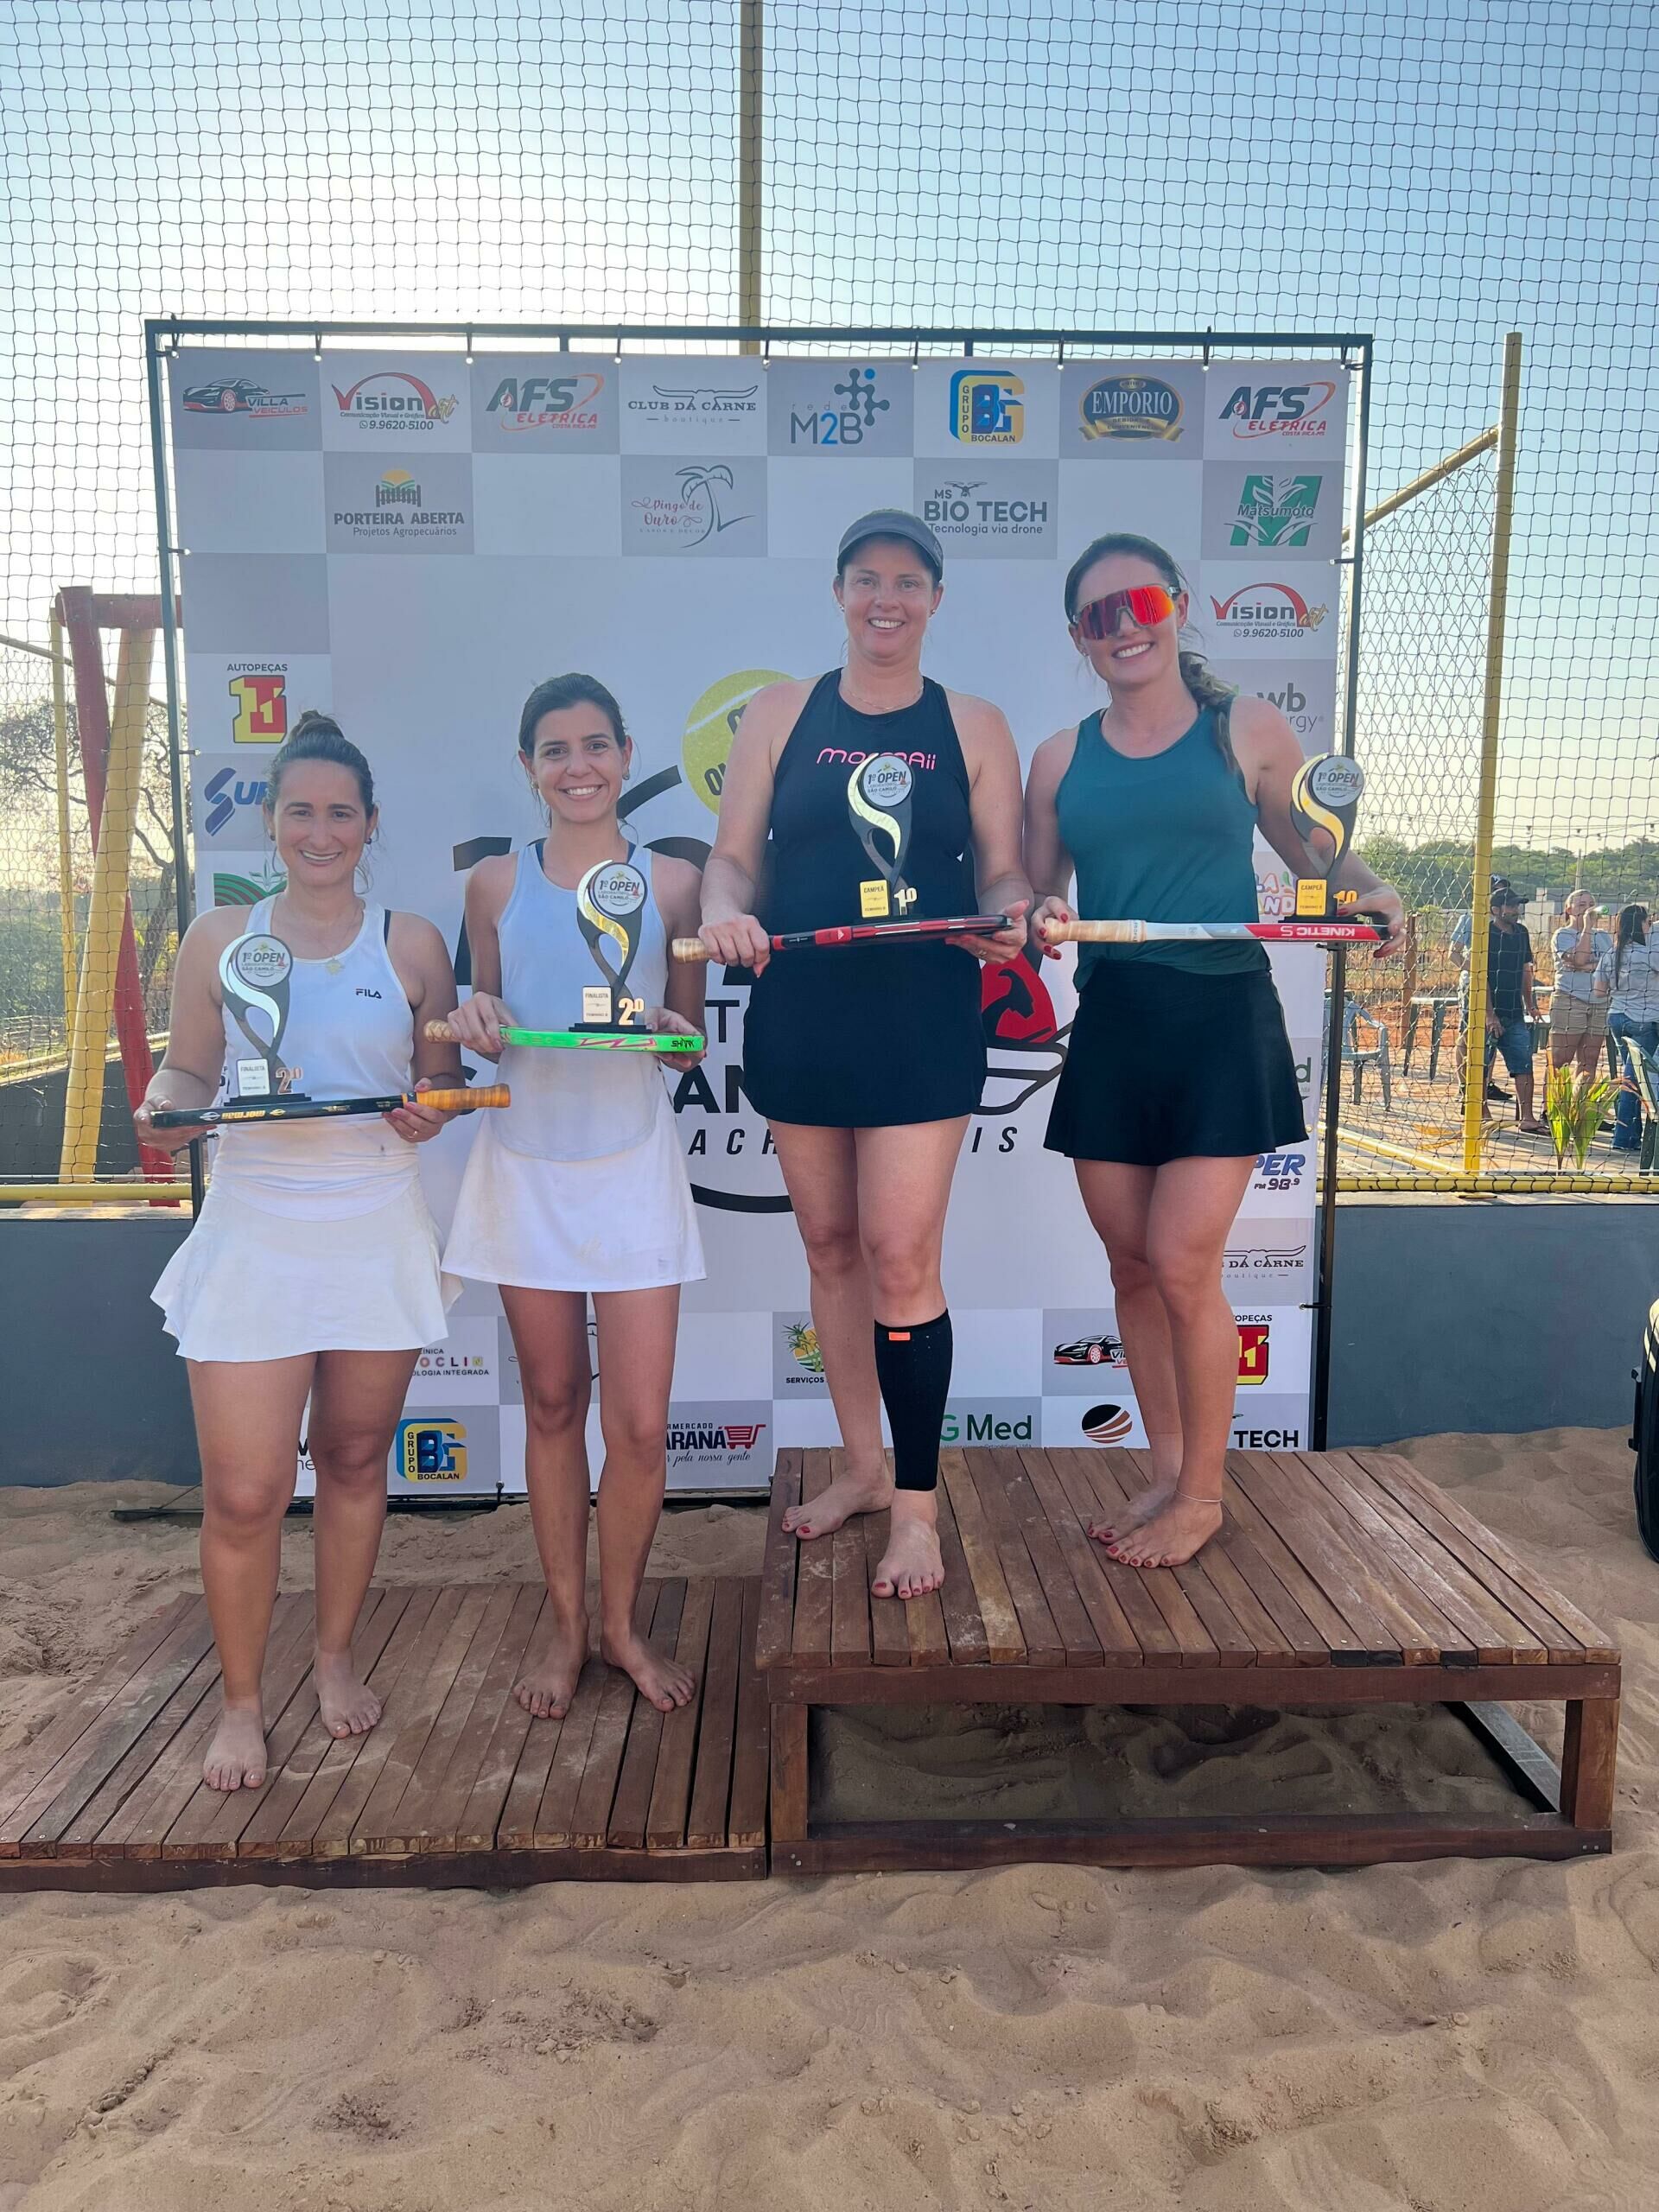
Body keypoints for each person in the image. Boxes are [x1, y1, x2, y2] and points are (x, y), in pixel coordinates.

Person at [1025, 531, 1404, 1571]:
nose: (1124, 626)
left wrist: (1367, 885)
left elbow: (1305, 840)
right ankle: (1164, 1469)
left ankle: (1204, 1495)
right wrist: (1034, 914)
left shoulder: (1243, 724)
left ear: (1178, 606)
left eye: (1139, 602)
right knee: (1134, 1265)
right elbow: (1031, 888)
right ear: (1079, 638)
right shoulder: (1059, 756)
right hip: (1114, 1022)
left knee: (1187, 1263)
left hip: (1220, 1020)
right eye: (1100, 615)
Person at [699, 510, 1029, 1602]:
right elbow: (733, 859)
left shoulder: (973, 722)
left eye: (908, 581)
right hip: (801, 1009)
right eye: (866, 579)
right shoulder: (779, 713)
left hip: (922, 1014)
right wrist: (724, 913)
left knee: (899, 1258)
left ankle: (919, 1516)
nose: (886, 598)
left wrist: (1013, 913)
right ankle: (861, 1467)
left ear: (937, 599)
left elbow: (1001, 875)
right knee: (831, 1246)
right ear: (838, 592)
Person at [137, 713, 464, 1790]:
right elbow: (189, 1075)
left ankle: (331, 1659)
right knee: (242, 1495)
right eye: (298, 813)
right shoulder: (216, 938)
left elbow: (435, 1089)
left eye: (339, 813)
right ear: (270, 823)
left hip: (374, 1228)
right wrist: (166, 1101)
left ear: (369, 826)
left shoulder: (411, 942)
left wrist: (432, 1113)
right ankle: (240, 1702)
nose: (319, 832)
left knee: (357, 1462)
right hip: (255, 1233)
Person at [443, 674, 707, 1717]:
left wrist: (666, 1028)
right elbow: (484, 1025)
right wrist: (476, 1026)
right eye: (555, 749)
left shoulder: (676, 883)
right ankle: (565, 1630)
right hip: (524, 1169)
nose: (578, 765)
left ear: (627, 753)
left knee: (640, 1425)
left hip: (633, 1168)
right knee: (554, 1403)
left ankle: (621, 1627)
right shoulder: (495, 887)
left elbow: (685, 1048)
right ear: (528, 768)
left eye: (595, 744)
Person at [1475, 884, 1543, 1131]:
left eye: (1517, 905)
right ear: (1496, 909)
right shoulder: (1485, 935)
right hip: (1487, 1012)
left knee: (1523, 1064)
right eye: (1511, 905)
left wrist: (1531, 1005)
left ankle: (1527, 1118)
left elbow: (1527, 971)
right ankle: (1480, 1112)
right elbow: (1480, 977)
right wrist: (1489, 1015)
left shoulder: (1522, 932)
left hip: (1514, 1012)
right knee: (1481, 1064)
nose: (1516, 910)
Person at [1594, 903, 1659, 1153]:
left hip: (1617, 1018)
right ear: (1641, 925)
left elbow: (1599, 991)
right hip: (1645, 1021)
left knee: (1630, 1077)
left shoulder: (1612, 954)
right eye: (1647, 922)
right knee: (1634, 1082)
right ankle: (1622, 1138)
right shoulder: (1651, 954)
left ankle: (1632, 1135)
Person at [1548, 891, 1612, 1083]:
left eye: (1591, 904)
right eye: (1582, 905)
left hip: (1599, 1002)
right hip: (1570, 999)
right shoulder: (1562, 934)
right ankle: (1550, 1109)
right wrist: (1586, 929)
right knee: (1561, 1059)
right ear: (1569, 909)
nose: (1588, 909)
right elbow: (1579, 958)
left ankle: (1580, 1108)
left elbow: (1610, 965)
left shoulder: (1603, 936)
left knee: (1589, 1060)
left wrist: (1585, 967)